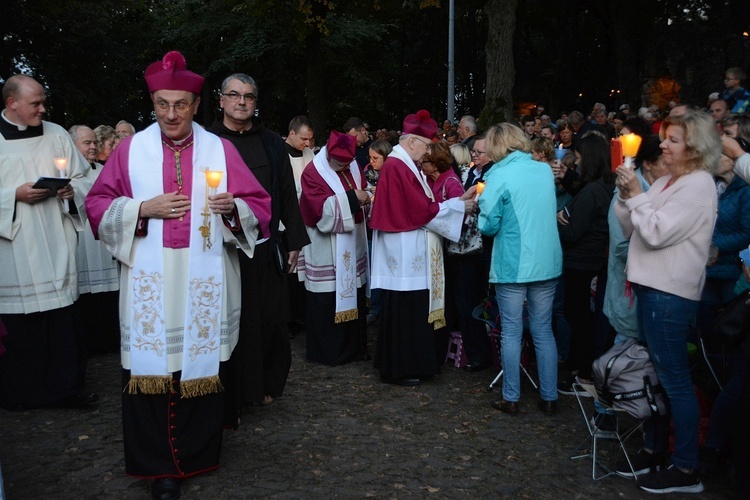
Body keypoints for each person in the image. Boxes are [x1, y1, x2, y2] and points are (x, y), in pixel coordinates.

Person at [85, 51, 272, 500]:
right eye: (162, 104)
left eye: (181, 104)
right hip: (151, 277)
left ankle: (196, 453)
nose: (171, 114)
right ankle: (158, 467)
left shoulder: (220, 149)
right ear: (153, 102)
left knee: (199, 361)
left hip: (205, 274)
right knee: (156, 366)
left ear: (196, 104)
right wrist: (140, 208)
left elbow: (261, 209)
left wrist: (234, 209)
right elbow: (96, 205)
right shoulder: (131, 150)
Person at [613, 110, 719, 493]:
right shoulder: (672, 181)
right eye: (665, 138)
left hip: (669, 296)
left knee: (674, 382)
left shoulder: (698, 186)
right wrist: (628, 195)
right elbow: (632, 228)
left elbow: (655, 233)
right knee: (655, 378)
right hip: (651, 290)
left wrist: (639, 198)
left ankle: (686, 467)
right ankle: (655, 450)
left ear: (695, 146)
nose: (664, 145)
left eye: (673, 139)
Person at [208, 73, 309, 412]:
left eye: (248, 97)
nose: (241, 102)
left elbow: (285, 194)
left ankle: (263, 382)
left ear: (255, 103)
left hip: (265, 245)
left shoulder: (270, 143)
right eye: (234, 95)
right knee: (229, 318)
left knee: (268, 318)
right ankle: (227, 385)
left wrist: (294, 240)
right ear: (221, 100)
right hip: (219, 248)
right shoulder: (206, 141)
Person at [0, 75, 96, 411]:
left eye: (43, 101)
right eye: (35, 103)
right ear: (12, 103)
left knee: (62, 321)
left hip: (56, 237)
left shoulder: (57, 135)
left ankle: (66, 390)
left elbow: (85, 178)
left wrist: (72, 192)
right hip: (14, 246)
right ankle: (22, 396)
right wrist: (13, 195)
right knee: (22, 326)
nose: (43, 108)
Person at [370, 110, 476, 387]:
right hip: (404, 251)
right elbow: (420, 211)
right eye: (427, 145)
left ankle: (406, 363)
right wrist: (457, 206)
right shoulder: (398, 166)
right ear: (413, 142)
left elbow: (422, 206)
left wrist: (455, 203)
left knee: (408, 309)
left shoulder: (404, 165)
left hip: (408, 248)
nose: (429, 151)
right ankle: (401, 367)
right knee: (407, 310)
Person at [477, 123, 562, 416]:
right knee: (543, 329)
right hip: (547, 261)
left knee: (511, 330)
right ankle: (550, 396)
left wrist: (480, 213)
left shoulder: (499, 174)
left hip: (515, 262)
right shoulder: (543, 170)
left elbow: (488, 226)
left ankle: (511, 395)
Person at [298, 131, 370, 365]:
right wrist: (352, 198)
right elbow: (321, 211)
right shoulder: (313, 172)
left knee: (354, 294)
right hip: (325, 247)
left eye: (347, 163)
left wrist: (367, 196)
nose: (343, 167)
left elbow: (362, 189)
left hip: (352, 242)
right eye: (339, 163)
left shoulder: (354, 166)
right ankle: (330, 352)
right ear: (328, 155)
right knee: (327, 300)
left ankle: (354, 349)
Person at [556, 134, 615, 393]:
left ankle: (584, 373)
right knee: (583, 319)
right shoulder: (602, 185)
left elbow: (573, 232)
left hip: (581, 262)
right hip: (592, 261)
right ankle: (581, 366)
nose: (577, 163)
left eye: (579, 158)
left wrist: (557, 221)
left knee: (579, 319)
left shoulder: (592, 192)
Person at [69, 125, 120, 363]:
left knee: (108, 293)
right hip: (81, 241)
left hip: (103, 240)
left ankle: (109, 339)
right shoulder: (66, 176)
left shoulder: (103, 171)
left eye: (93, 143)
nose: (92, 147)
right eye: (86, 143)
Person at [285, 115, 315, 334]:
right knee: (290, 269)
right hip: (287, 220)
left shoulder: (309, 154)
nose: (307, 143)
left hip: (307, 218)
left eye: (310, 140)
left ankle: (303, 314)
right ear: (292, 134)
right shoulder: (279, 154)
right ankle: (289, 318)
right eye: (304, 139)